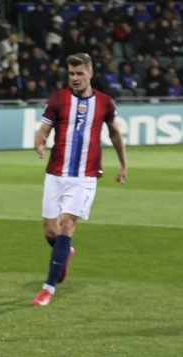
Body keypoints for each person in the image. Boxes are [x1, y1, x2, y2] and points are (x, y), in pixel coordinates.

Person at [32, 53, 127, 306]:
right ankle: (66, 253)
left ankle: (48, 289)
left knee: (67, 226)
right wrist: (39, 143)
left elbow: (115, 133)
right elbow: (43, 130)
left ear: (90, 74)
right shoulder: (57, 99)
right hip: (56, 172)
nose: (74, 78)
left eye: (79, 73)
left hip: (85, 176)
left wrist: (123, 163)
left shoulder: (105, 102)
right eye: (71, 74)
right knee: (50, 231)